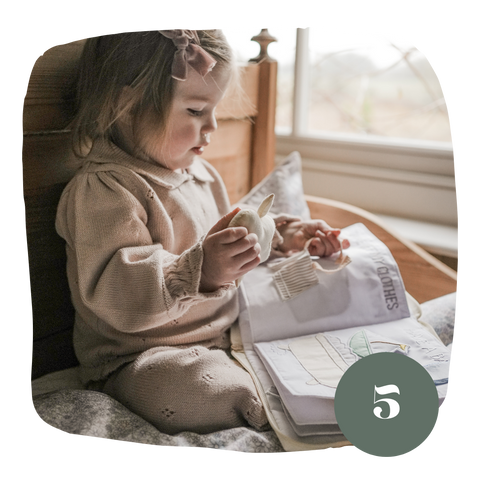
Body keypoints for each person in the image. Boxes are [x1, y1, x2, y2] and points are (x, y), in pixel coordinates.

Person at [55, 27, 349, 435]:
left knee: (314, 300)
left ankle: (286, 378)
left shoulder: (200, 173)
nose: (212, 126)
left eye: (214, 109)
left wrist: (283, 236)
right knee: (191, 389)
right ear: (126, 106)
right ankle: (270, 407)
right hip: (142, 356)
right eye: (195, 111)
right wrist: (203, 271)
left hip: (226, 332)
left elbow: (239, 228)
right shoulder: (105, 190)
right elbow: (117, 293)